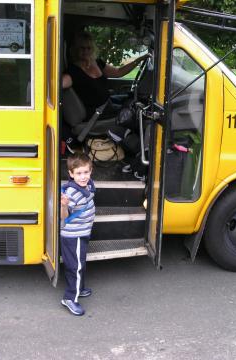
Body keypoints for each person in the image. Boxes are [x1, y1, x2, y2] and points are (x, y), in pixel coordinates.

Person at [62, 31, 150, 118]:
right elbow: (60, 84)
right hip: (99, 112)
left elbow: (118, 72)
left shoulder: (97, 62)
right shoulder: (73, 71)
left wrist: (139, 59)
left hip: (108, 102)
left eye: (88, 48)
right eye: (82, 48)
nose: (86, 51)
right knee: (138, 112)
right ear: (75, 49)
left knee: (135, 99)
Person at [60, 152, 96, 316]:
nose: (83, 177)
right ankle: (69, 298)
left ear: (91, 171)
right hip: (73, 235)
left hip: (82, 233)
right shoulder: (71, 194)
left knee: (80, 262)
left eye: (86, 172)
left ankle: (78, 288)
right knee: (75, 267)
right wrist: (64, 205)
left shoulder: (87, 185)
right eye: (79, 173)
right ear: (71, 174)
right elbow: (64, 217)